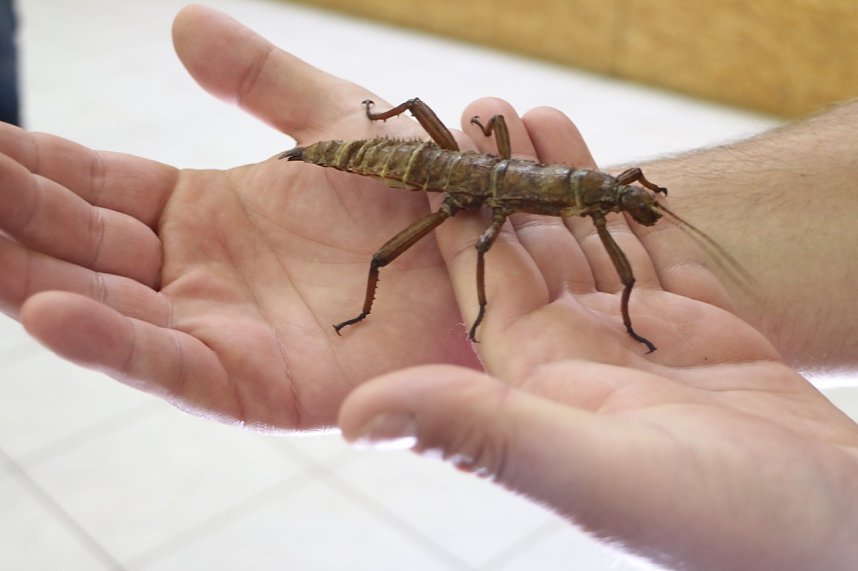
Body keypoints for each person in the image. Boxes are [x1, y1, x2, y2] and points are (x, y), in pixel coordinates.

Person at [1, 5, 855, 570]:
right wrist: (485, 295)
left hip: (460, 169)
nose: (624, 203)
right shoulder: (531, 204)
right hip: (424, 164)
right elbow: (495, 238)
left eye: (623, 199)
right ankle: (366, 297)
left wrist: (640, 206)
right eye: (620, 198)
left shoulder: (587, 199)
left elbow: (618, 206)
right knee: (390, 257)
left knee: (464, 234)